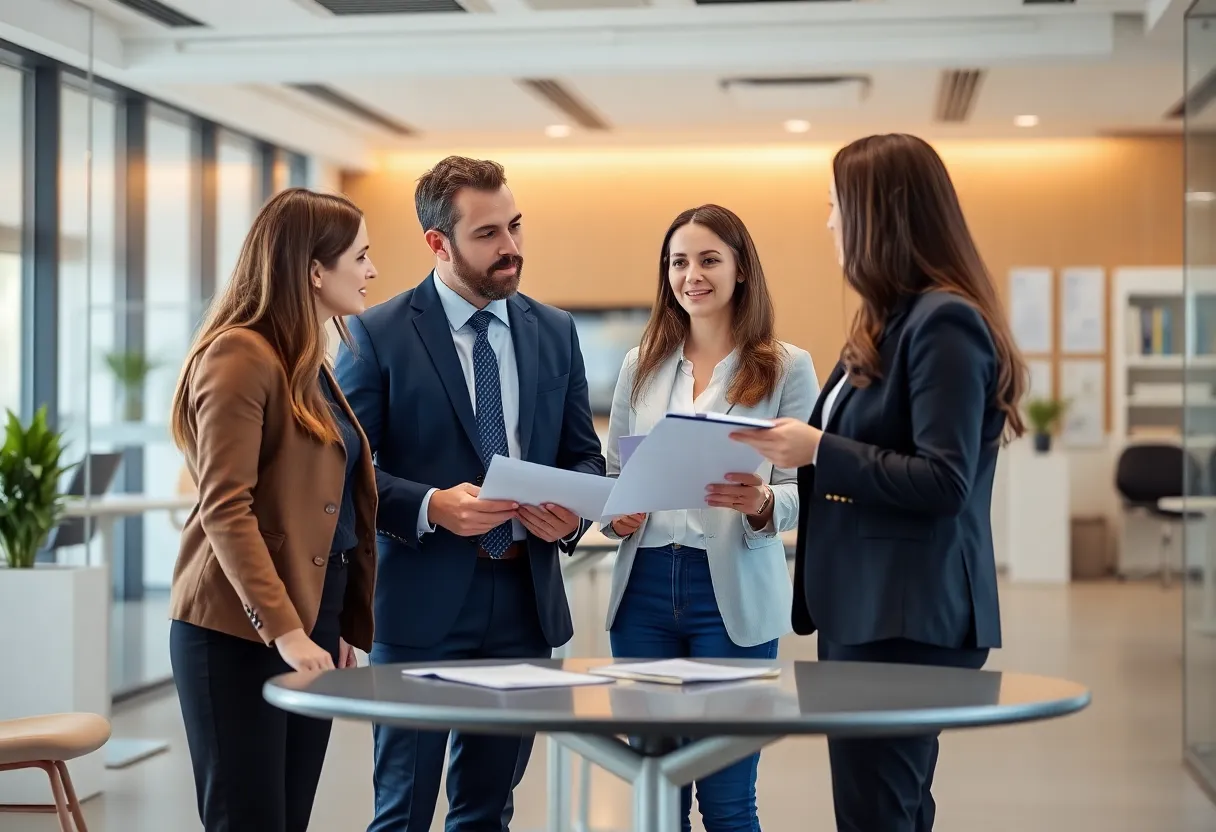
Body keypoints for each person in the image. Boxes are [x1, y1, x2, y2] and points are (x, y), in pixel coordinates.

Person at [731, 133, 1027, 832]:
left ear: (876, 215)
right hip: (868, 611)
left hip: (905, 615)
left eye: (835, 206)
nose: (828, 223)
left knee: (876, 813)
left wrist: (817, 449)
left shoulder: (943, 323)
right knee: (890, 809)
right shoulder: (889, 322)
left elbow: (944, 479)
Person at [334, 155, 606, 832]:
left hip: (523, 604)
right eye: (488, 234)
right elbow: (342, 469)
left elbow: (584, 455)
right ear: (438, 243)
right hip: (420, 606)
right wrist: (429, 506)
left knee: (489, 810)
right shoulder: (377, 334)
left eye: (514, 226)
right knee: (402, 811)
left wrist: (570, 513)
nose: (510, 246)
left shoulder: (555, 332)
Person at [167, 187, 380, 832]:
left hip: (307, 619)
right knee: (248, 819)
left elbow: (332, 503)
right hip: (240, 629)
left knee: (287, 817)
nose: (372, 271)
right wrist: (287, 630)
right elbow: (226, 507)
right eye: (362, 256)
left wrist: (335, 619)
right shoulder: (240, 354)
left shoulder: (307, 360)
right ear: (315, 270)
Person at [600, 204, 818, 831]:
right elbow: (616, 479)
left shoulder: (785, 366)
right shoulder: (639, 362)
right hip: (641, 593)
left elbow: (808, 490)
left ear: (741, 269)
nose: (691, 275)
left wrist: (764, 504)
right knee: (656, 796)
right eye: (678, 262)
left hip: (731, 600)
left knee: (727, 801)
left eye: (708, 259)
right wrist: (617, 517)